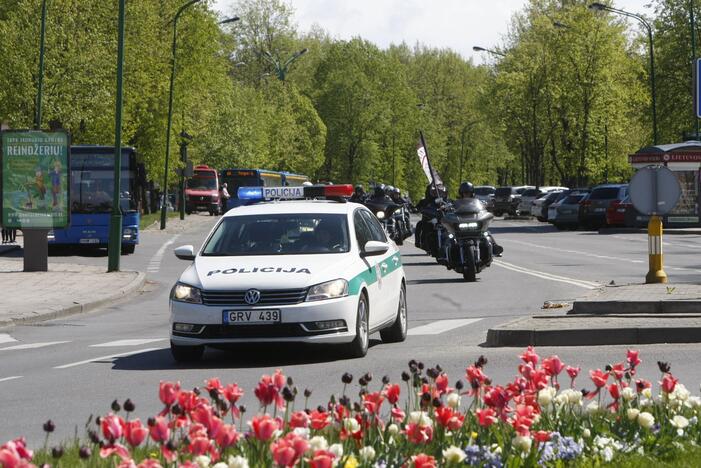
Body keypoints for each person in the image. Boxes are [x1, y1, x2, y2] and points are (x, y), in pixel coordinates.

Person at [456, 181, 503, 257]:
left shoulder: (476, 201)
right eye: (465, 193)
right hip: (462, 223)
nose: (466, 194)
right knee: (451, 236)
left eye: (468, 193)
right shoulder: (457, 202)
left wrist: (486, 205)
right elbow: (452, 208)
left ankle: (495, 247)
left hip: (474, 222)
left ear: (472, 193)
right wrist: (447, 207)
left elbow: (482, 206)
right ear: (461, 193)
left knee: (485, 232)